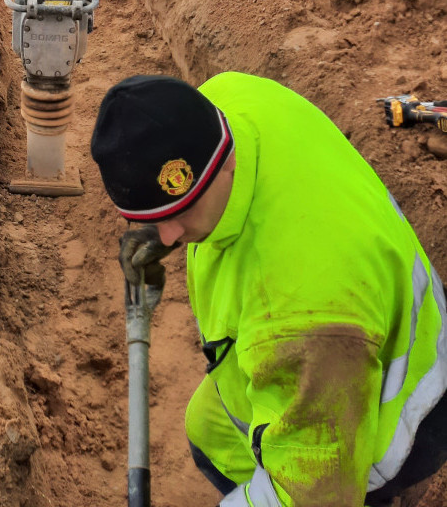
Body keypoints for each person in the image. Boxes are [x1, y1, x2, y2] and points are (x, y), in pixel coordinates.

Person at [90, 72, 447, 507]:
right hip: (342, 335)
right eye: (148, 216)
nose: (165, 238)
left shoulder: (299, 312)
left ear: (226, 161)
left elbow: (314, 495)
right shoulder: (230, 99)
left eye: (179, 211)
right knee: (209, 431)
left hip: (393, 420)